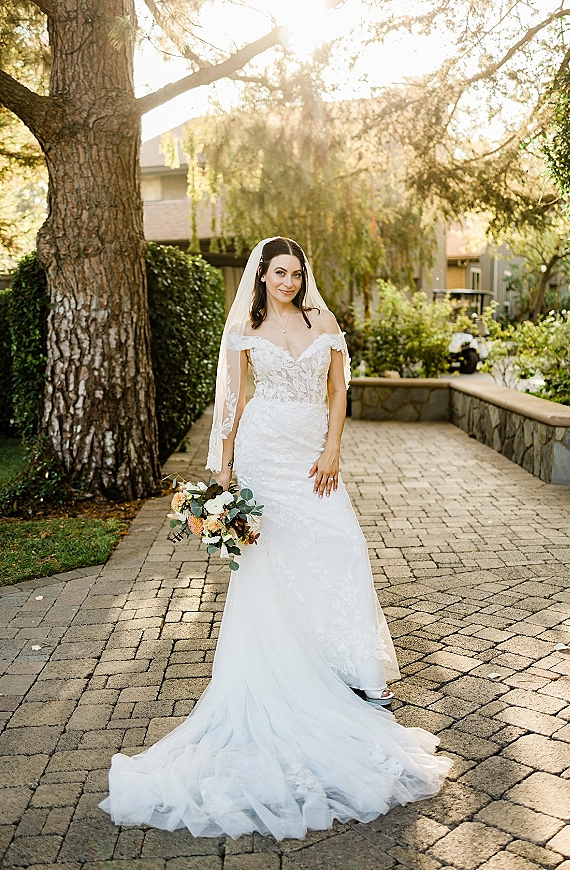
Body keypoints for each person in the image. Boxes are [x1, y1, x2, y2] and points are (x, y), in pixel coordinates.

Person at [99, 237, 452, 841]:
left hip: (313, 454)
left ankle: (358, 673)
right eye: (279, 272)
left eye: (296, 272)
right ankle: (312, 677)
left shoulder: (323, 318)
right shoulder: (243, 329)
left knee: (342, 550)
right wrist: (225, 467)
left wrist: (334, 447)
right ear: (261, 276)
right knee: (274, 568)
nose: (288, 281)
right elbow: (233, 404)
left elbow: (340, 389)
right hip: (263, 455)